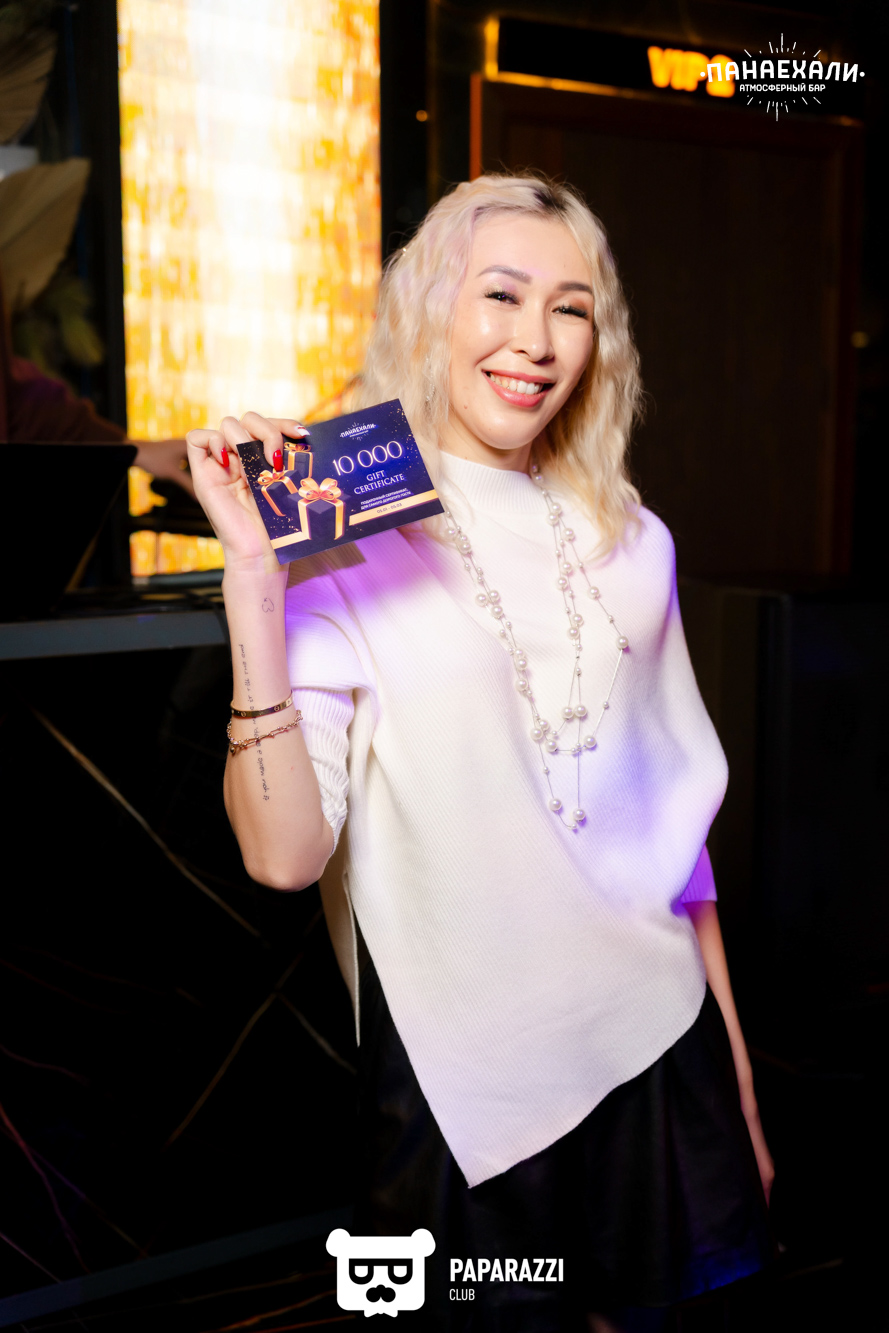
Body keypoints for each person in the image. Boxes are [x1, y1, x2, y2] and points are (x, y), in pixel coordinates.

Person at [187, 174, 775, 1332]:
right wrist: (254, 578)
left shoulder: (634, 540)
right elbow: (284, 856)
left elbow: (677, 837)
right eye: (500, 294)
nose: (534, 340)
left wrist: (739, 1084)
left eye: (570, 307)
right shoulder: (339, 532)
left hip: (662, 1040)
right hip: (467, 1090)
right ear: (431, 310)